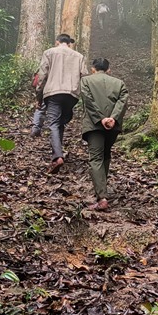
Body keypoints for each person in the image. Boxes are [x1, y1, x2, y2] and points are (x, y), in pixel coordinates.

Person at [78, 57, 128, 211]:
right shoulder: (119, 83)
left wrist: (101, 119)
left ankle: (102, 197)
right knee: (106, 155)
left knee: (96, 158)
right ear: (108, 69)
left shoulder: (86, 81)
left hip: (94, 126)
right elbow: (123, 102)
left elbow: (88, 100)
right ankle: (102, 192)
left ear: (93, 68)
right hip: (113, 127)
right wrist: (112, 118)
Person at [36, 33, 86, 174]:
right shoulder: (79, 56)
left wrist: (39, 96)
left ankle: (57, 156)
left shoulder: (49, 52)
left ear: (57, 41)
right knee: (60, 123)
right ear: (69, 43)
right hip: (71, 94)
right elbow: (84, 75)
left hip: (53, 92)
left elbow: (42, 75)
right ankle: (57, 152)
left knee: (53, 123)